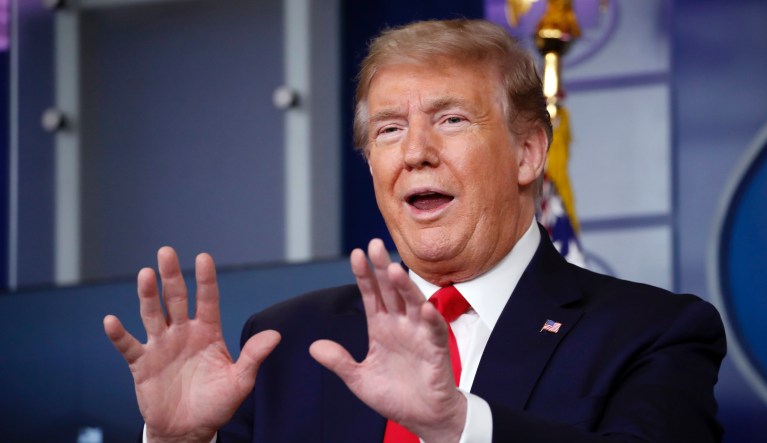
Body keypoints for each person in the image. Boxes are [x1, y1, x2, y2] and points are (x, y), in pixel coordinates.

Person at [103, 19, 726, 443]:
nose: (415, 153)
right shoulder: (288, 342)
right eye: (389, 130)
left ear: (528, 153)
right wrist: (181, 442)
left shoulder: (654, 333)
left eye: (451, 120)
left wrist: (459, 427)